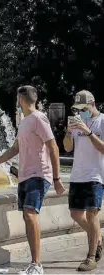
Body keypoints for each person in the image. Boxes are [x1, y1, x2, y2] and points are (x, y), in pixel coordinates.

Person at [0, 85, 65, 275]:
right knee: (27, 216)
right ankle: (33, 263)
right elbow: (15, 149)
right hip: (25, 176)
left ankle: (37, 264)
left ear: (20, 99)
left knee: (30, 214)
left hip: (39, 175)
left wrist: (56, 177)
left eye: (17, 98)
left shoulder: (39, 118)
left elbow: (53, 147)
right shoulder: (24, 121)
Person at [63, 90, 104, 272]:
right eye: (78, 109)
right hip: (77, 175)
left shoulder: (102, 121)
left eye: (84, 108)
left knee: (91, 214)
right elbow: (67, 147)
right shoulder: (77, 120)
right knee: (75, 214)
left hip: (95, 175)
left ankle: (91, 257)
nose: (81, 112)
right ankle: (98, 239)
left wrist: (87, 132)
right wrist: (68, 132)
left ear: (93, 103)